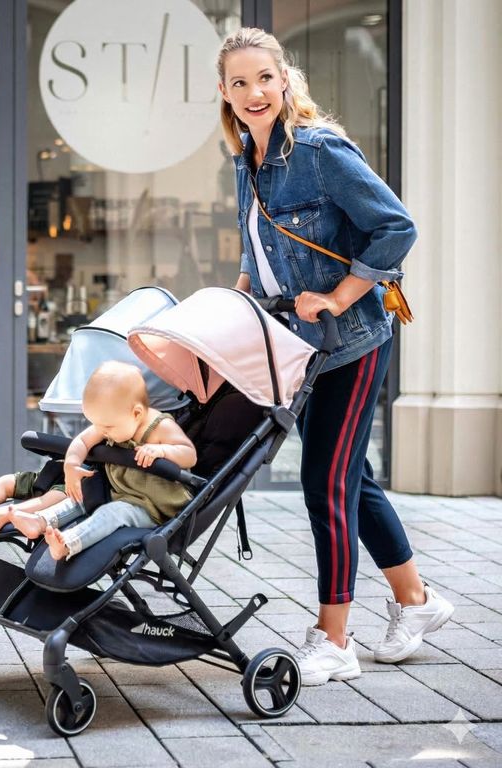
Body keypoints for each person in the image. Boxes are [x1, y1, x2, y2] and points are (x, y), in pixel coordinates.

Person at [217, 28, 453, 685]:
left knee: (326, 479)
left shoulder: (318, 150)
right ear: (225, 93)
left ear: (284, 79)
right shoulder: (246, 160)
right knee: (353, 476)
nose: (254, 92)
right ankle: (416, 599)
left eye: (264, 78)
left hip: (351, 342)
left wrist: (340, 294)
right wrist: (235, 304)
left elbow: (396, 225)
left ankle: (334, 638)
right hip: (300, 347)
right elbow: (258, 249)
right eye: (240, 82)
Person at [8, 360, 197, 561]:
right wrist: (71, 464)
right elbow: (81, 441)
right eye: (96, 424)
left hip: (154, 507)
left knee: (112, 513)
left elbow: (189, 455)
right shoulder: (113, 421)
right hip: (120, 492)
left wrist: (162, 450)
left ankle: (68, 544)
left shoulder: (161, 427)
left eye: (106, 427)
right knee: (81, 498)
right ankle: (39, 522)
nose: (101, 431)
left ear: (136, 413)